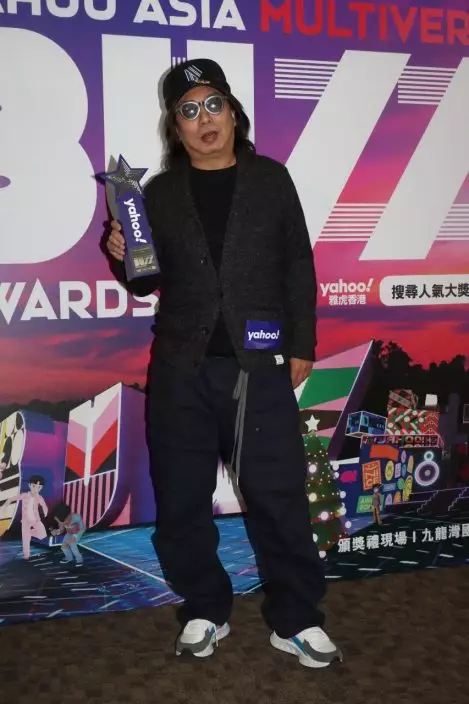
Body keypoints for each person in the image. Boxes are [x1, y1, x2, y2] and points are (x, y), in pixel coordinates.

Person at [105, 58, 342, 668]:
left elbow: (298, 264)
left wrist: (304, 344)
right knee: (182, 498)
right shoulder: (160, 194)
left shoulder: (271, 180)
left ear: (234, 113)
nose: (204, 119)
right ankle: (205, 608)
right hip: (180, 368)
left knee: (278, 495)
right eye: (189, 110)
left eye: (214, 104)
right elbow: (144, 280)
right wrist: (121, 253)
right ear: (175, 126)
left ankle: (296, 618)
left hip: (258, 365)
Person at [1, 475, 48, 560]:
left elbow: (44, 506)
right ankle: (26, 555)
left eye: (39, 487)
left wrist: (45, 511)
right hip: (26, 521)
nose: (36, 489)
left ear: (41, 488)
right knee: (26, 539)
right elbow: (11, 499)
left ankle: (29, 533)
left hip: (36, 520)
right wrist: (5, 505)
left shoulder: (39, 497)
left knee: (42, 534)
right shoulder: (25, 495)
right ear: (29, 485)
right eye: (34, 486)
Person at [50, 502, 86, 567]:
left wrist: (75, 536)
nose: (61, 523)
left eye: (63, 522)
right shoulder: (60, 519)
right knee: (63, 547)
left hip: (77, 532)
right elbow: (61, 529)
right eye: (59, 522)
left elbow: (82, 528)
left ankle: (79, 560)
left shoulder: (76, 517)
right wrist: (57, 532)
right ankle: (69, 557)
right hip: (69, 533)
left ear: (68, 516)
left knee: (72, 545)